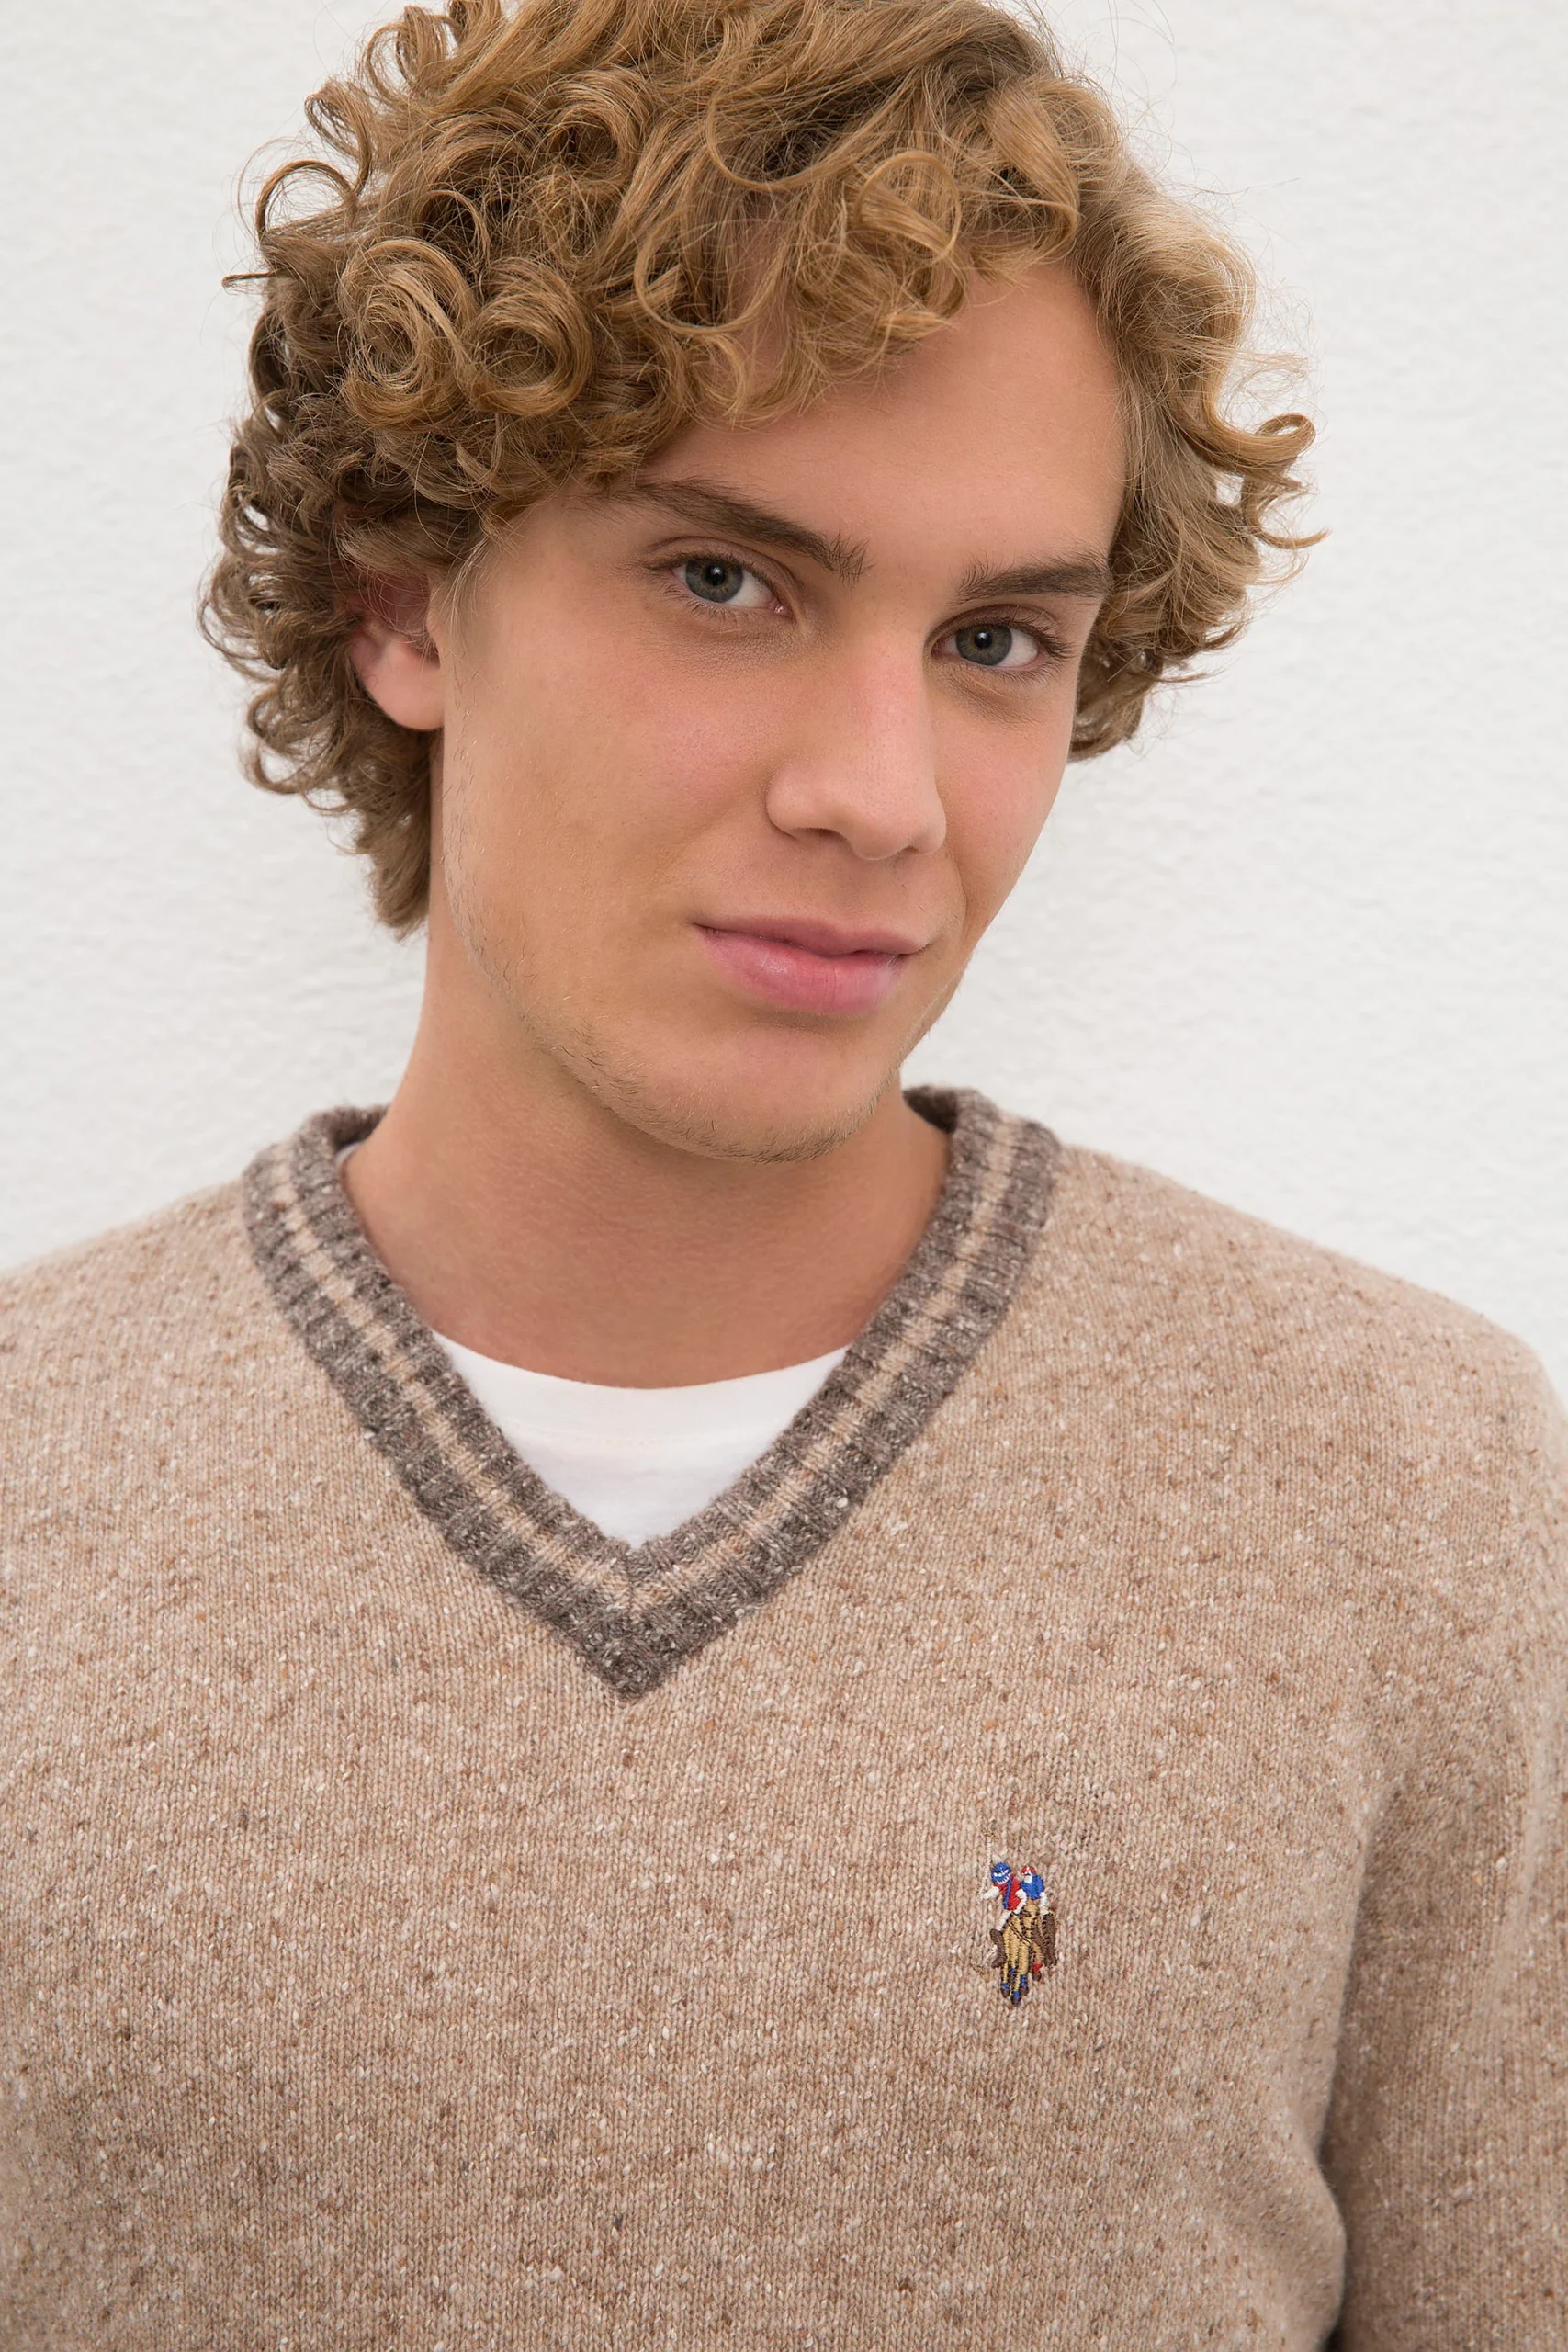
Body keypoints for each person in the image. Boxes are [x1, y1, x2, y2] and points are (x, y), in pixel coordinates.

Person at [1, 0, 1562, 2343]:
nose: (882, 794)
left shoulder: (1404, 1494)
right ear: (404, 595)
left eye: (996, 638)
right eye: (727, 582)